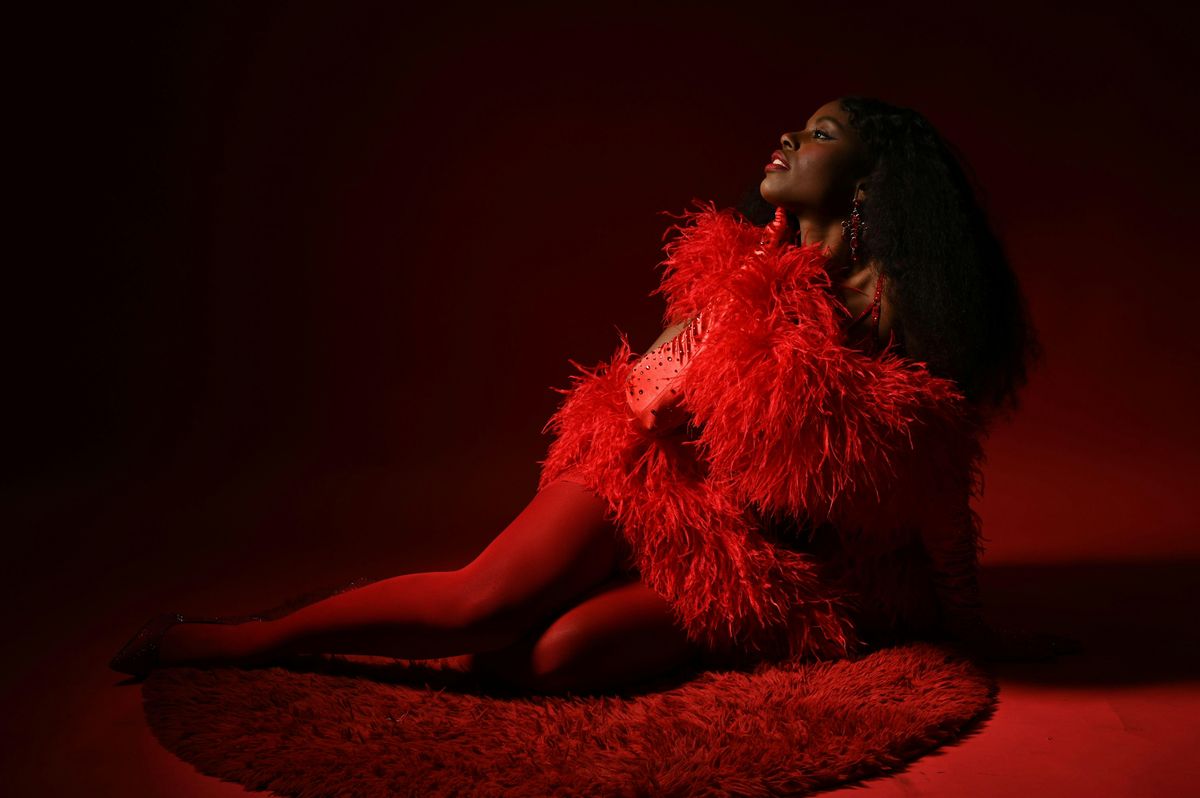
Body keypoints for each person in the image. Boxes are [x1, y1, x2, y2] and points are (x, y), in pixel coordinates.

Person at [109, 96, 1080, 692]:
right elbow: (650, 399)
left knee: (539, 663)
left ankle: (593, 606)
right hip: (638, 478)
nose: (789, 135)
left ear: (869, 188)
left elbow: (931, 479)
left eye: (821, 133)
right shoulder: (737, 268)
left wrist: (971, 623)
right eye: (799, 124)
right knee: (479, 611)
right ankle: (239, 641)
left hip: (745, 558)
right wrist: (753, 309)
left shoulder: (907, 328)